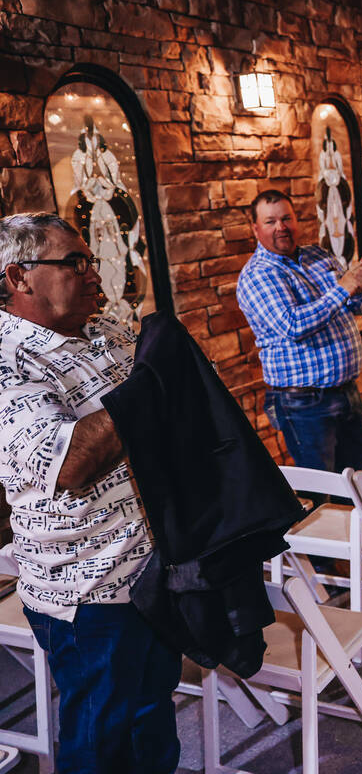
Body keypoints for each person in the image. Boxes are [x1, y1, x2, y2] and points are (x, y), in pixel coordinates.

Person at [0, 212, 181, 773]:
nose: (93, 271)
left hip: (150, 565)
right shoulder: (8, 360)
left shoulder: (103, 331)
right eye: (73, 262)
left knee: (152, 714)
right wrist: (150, 377)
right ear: (19, 277)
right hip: (87, 589)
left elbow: (167, 407)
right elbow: (73, 461)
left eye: (89, 259)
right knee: (103, 736)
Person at [236, 189, 362, 472]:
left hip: (346, 389)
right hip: (303, 401)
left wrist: (358, 287)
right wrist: (344, 288)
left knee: (355, 470)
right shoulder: (258, 274)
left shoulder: (317, 255)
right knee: (321, 480)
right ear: (255, 228)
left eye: (287, 218)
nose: (281, 227)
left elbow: (357, 307)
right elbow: (293, 325)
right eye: (271, 221)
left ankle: (354, 518)